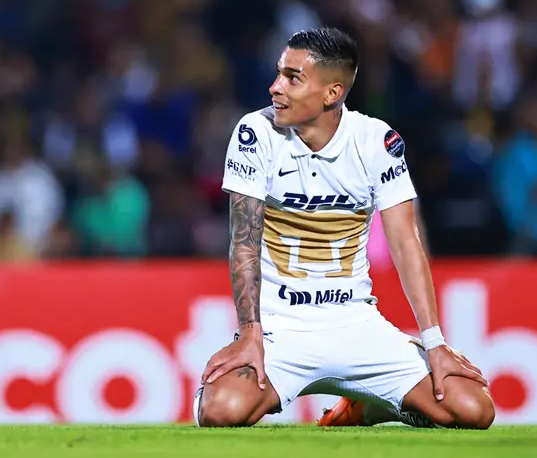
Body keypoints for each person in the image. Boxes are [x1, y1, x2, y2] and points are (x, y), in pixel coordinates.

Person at [193, 27, 495, 429]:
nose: (275, 87)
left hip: (357, 327)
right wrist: (250, 332)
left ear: (332, 93)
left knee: (473, 410)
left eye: (292, 78)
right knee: (220, 410)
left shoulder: (376, 141)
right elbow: (243, 239)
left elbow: (406, 243)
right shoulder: (256, 132)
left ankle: (367, 407)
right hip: (282, 330)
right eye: (279, 73)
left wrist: (435, 342)